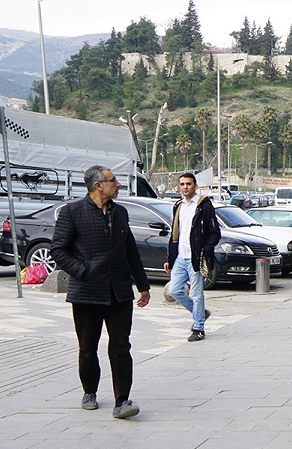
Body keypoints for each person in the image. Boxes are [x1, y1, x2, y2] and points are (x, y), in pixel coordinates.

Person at [49, 165, 152, 419]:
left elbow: (130, 250)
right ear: (98, 185)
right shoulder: (72, 212)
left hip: (119, 292)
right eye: (113, 180)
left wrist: (143, 284)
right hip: (86, 292)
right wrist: (83, 271)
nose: (118, 184)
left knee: (120, 346)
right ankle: (89, 391)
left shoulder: (121, 213)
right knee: (87, 347)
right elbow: (58, 250)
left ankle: (122, 401)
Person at [165, 173, 220, 342]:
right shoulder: (178, 206)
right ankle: (201, 313)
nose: (185, 187)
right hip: (180, 257)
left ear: (195, 186)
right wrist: (170, 258)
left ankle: (198, 328)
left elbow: (215, 232)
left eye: (188, 184)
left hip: (196, 257)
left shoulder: (204, 205)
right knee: (174, 290)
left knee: (197, 294)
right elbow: (175, 234)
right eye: (182, 184)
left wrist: (206, 250)